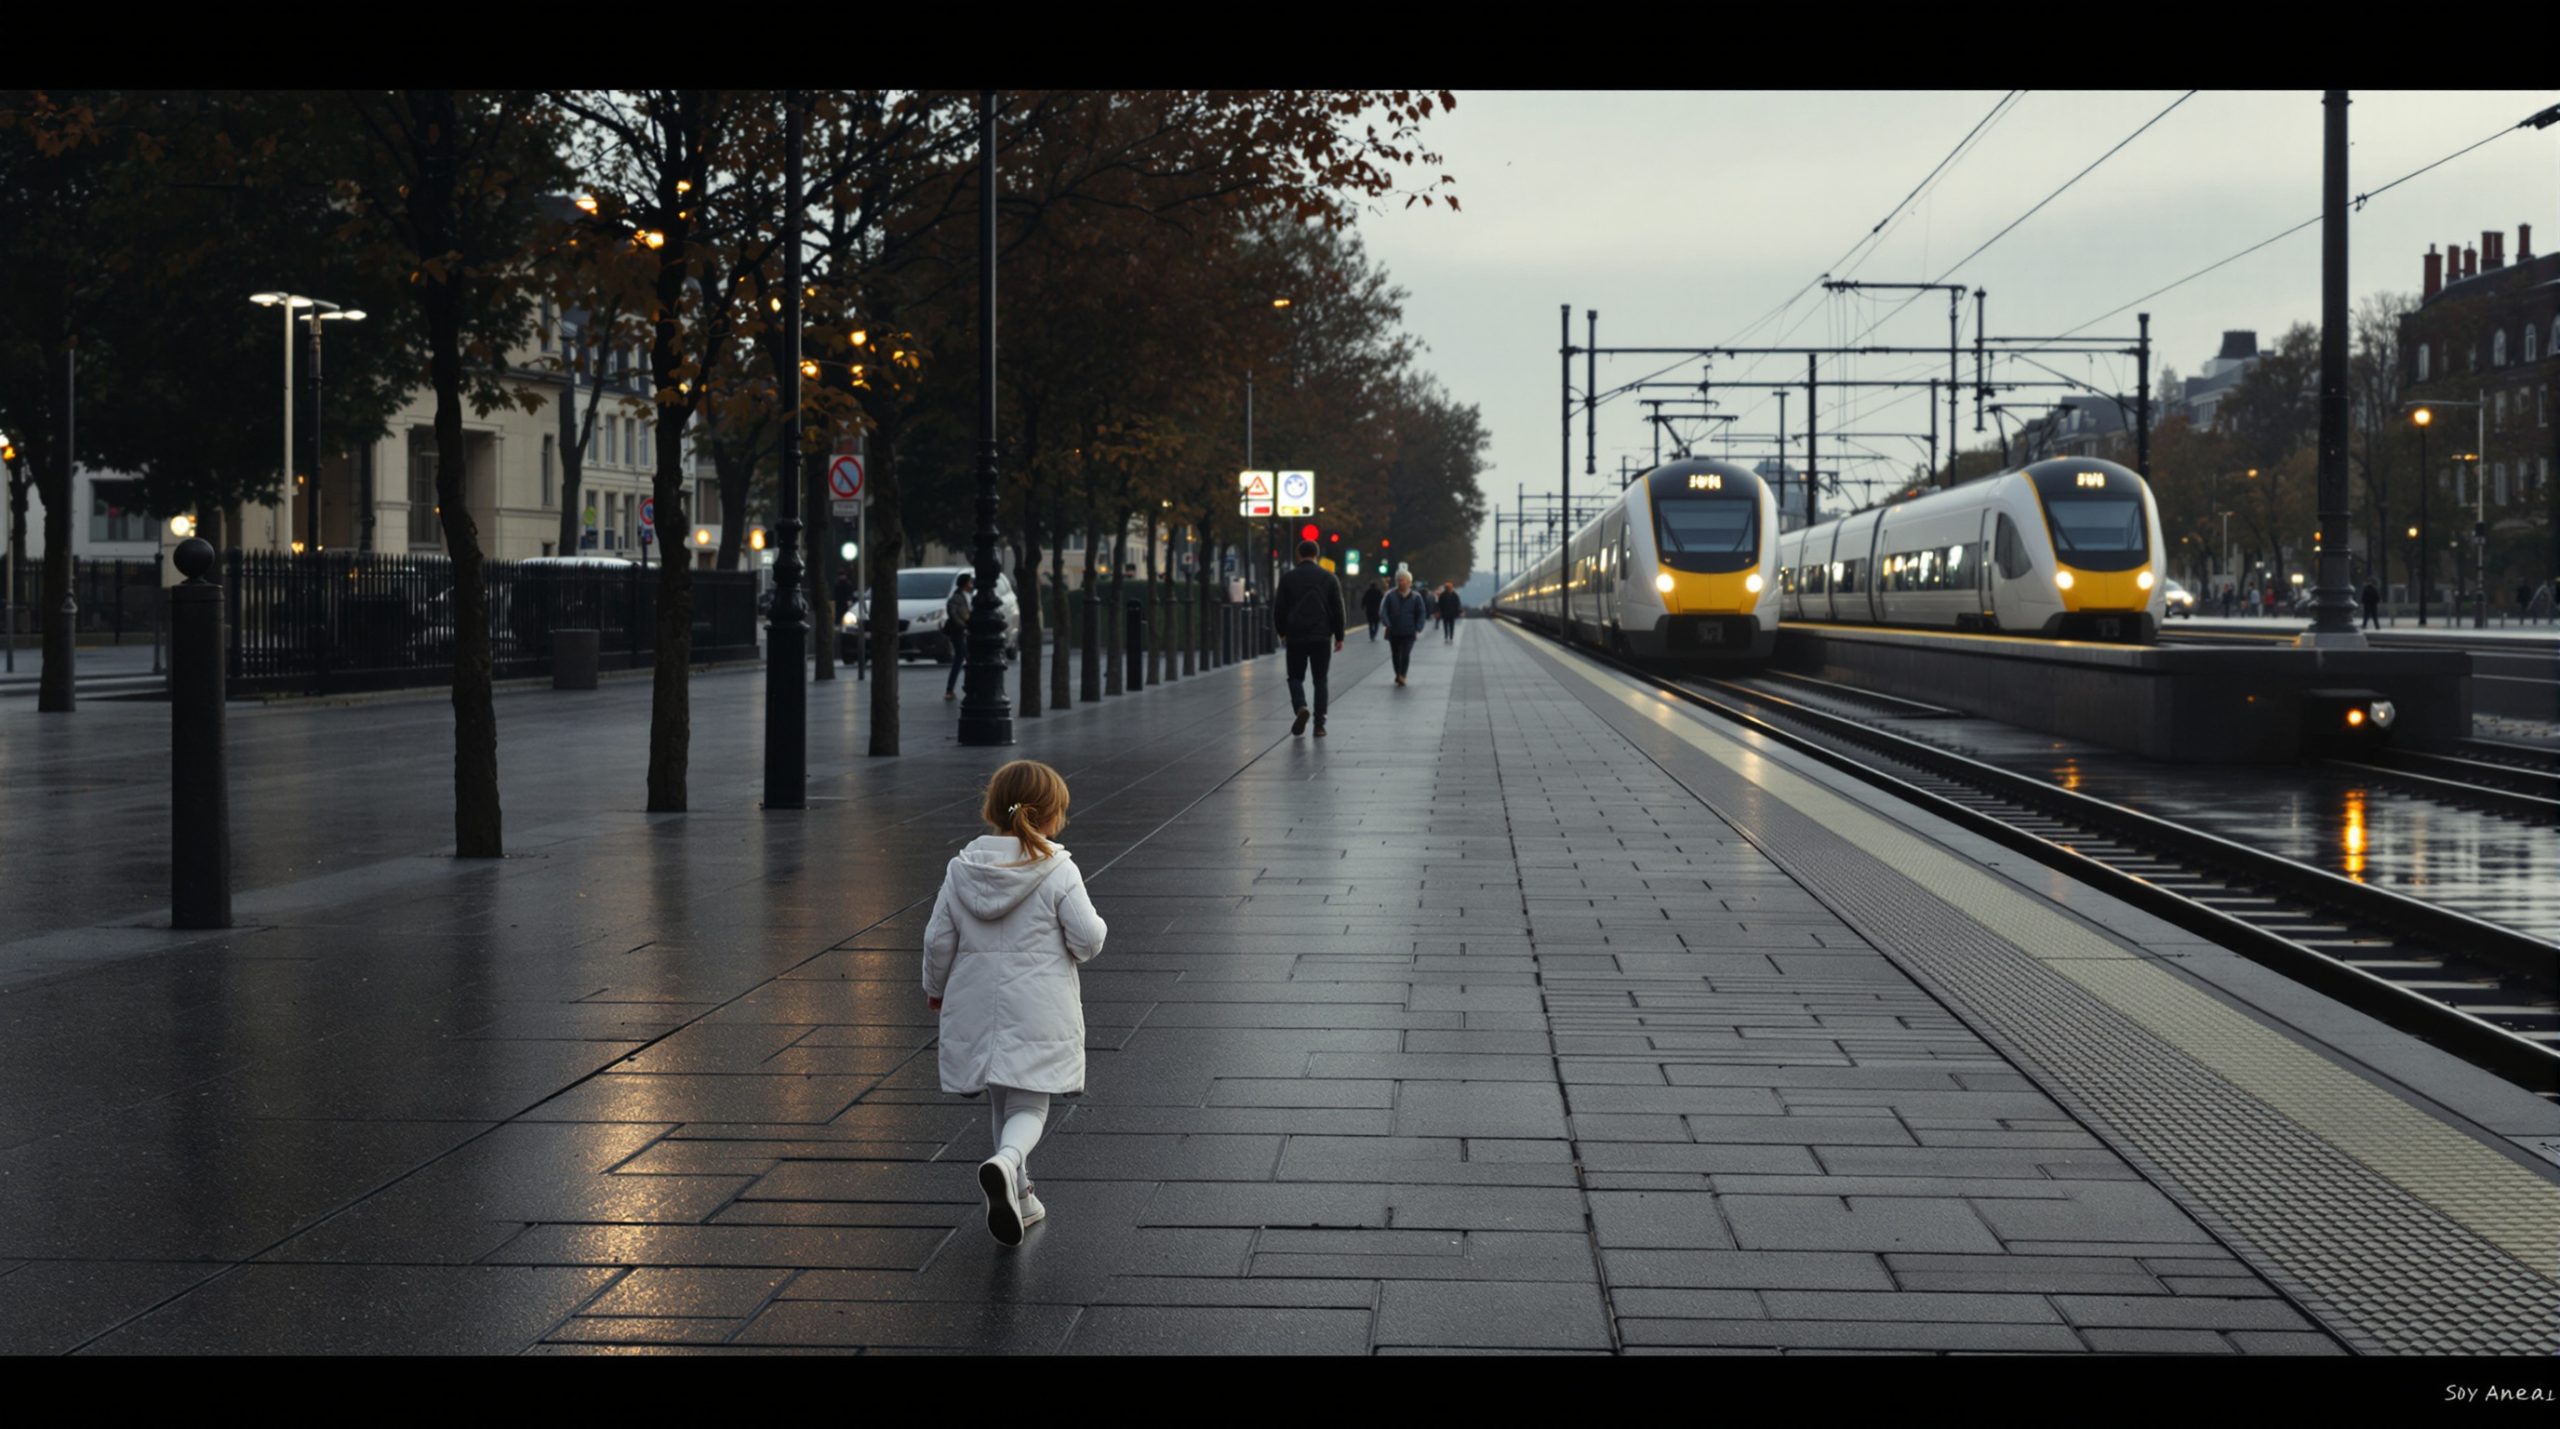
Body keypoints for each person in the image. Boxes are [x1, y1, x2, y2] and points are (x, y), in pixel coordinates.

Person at [923, 759, 1107, 1247]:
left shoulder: (962, 869)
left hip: (975, 1002)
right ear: (1050, 816)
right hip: (1039, 1005)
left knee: (1001, 1094)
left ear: (994, 809)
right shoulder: (1057, 868)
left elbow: (938, 941)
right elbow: (1087, 939)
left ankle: (1021, 1194)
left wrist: (935, 988)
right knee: (1031, 1102)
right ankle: (1006, 1165)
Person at [1272, 539, 1346, 736]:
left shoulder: (1288, 578)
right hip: (1321, 636)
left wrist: (1282, 632)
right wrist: (1339, 636)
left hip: (1296, 636)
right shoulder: (1329, 578)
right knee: (1320, 680)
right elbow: (1338, 609)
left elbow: (1279, 609)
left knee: (1295, 677)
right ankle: (1319, 725)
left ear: (1298, 555)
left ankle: (1300, 706)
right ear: (1317, 555)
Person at [1380, 569, 1430, 686]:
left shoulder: (1416, 597)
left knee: (1406, 653)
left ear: (1409, 582)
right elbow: (1383, 611)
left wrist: (1418, 627)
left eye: (1403, 580)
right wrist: (1387, 623)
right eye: (1398, 580)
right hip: (1394, 630)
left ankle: (1403, 675)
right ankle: (1397, 673)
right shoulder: (1390, 596)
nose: (1400, 582)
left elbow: (1421, 612)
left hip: (1409, 631)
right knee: (1395, 654)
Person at [943, 573, 975, 700]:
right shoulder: (958, 597)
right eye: (970, 582)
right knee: (962, 657)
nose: (971, 584)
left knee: (963, 658)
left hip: (961, 631)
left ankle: (962, 687)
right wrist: (963, 625)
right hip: (958, 632)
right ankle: (952, 689)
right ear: (965, 583)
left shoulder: (965, 595)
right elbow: (954, 613)